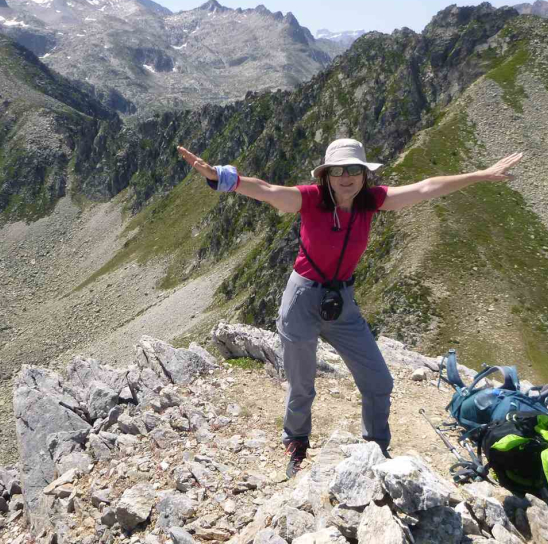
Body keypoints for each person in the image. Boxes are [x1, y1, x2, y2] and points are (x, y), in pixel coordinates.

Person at [177, 138, 523, 476]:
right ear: (325, 175)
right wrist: (221, 177)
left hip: (342, 302)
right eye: (338, 170)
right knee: (302, 383)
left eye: (354, 169)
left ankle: (376, 447)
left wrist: (479, 175)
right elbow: (267, 190)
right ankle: (296, 440)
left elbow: (424, 188)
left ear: (364, 174)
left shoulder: (371, 201)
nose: (346, 176)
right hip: (301, 298)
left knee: (379, 381)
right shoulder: (310, 199)